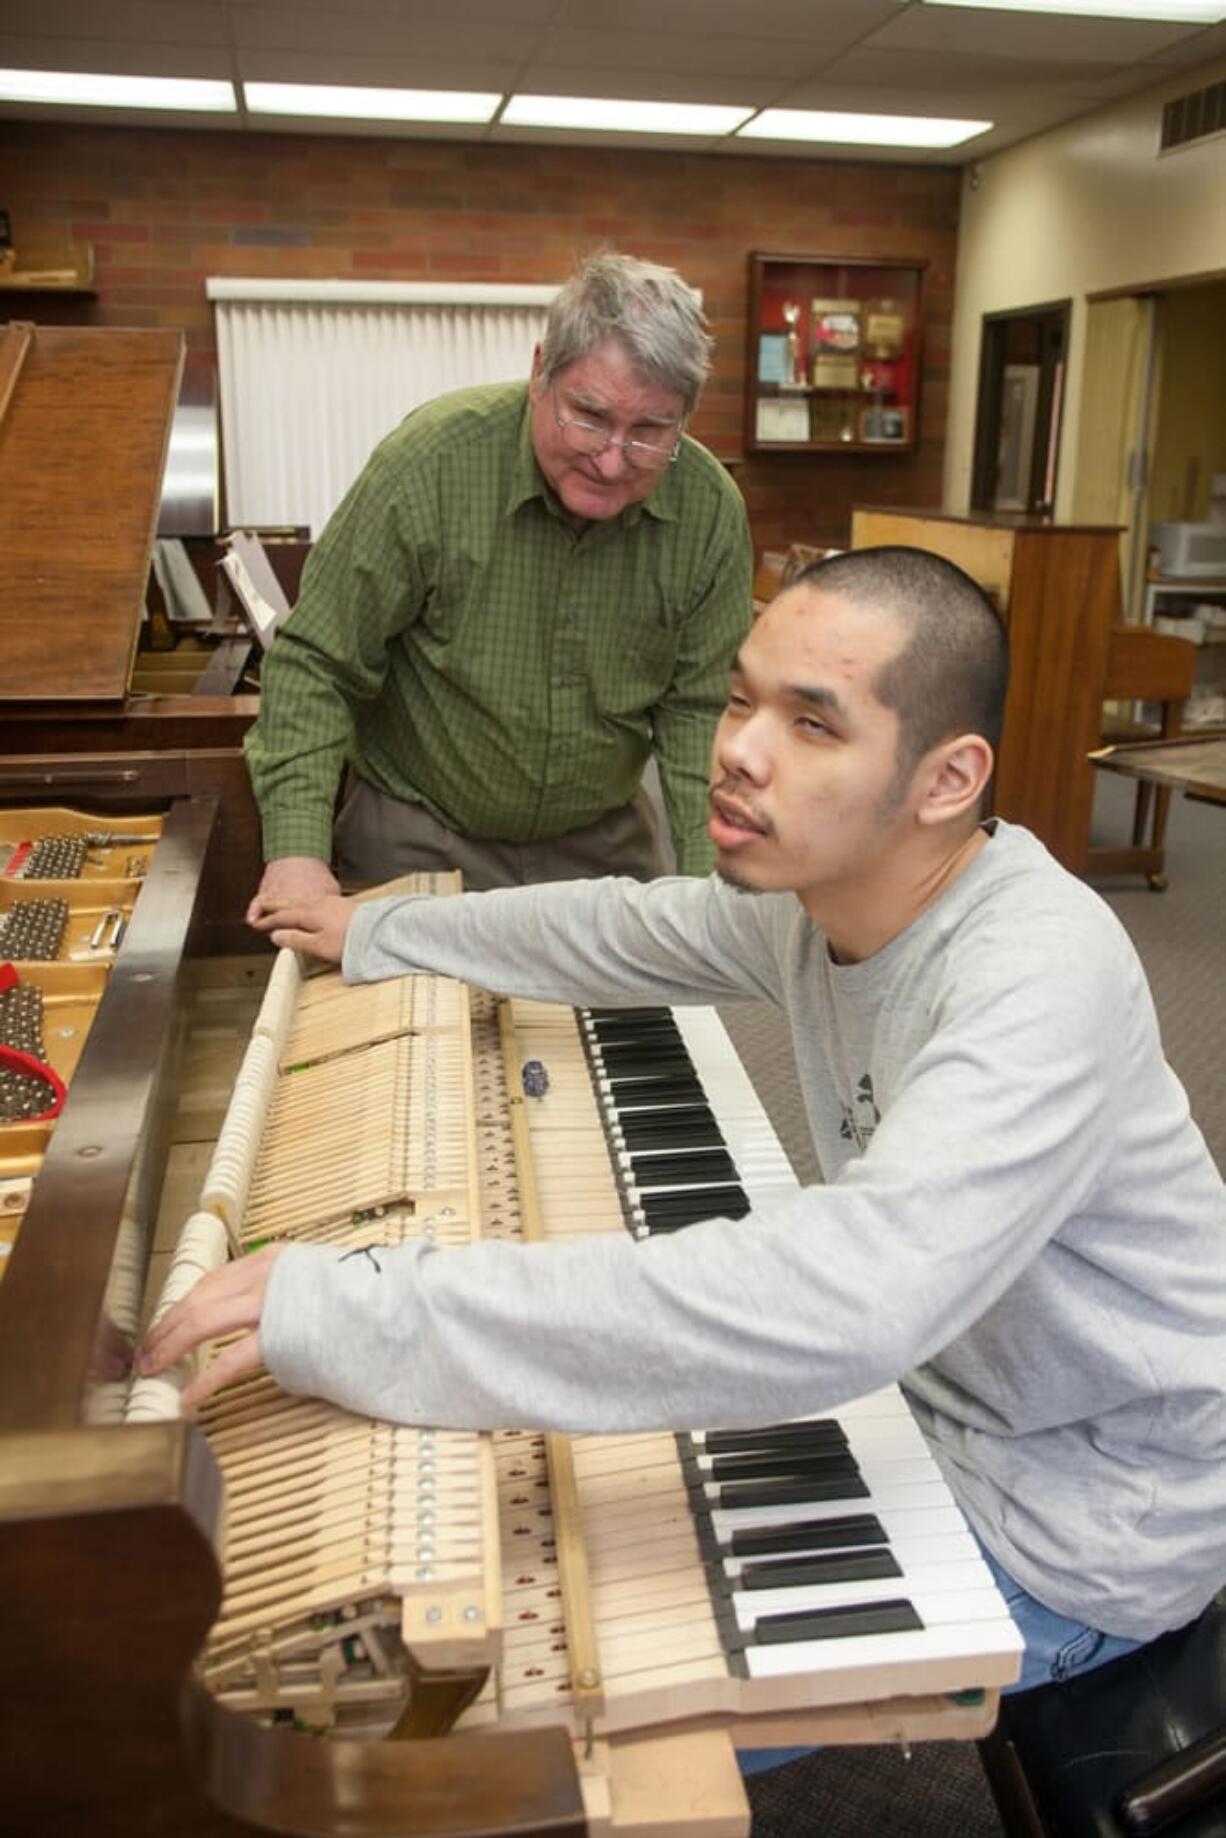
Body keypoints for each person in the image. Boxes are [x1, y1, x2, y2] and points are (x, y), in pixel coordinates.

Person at [143, 546, 1226, 1701]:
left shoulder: (1035, 972)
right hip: (934, 1396)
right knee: (562, 1495)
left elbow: (843, 1300)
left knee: (526, 1707)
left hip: (1080, 1517)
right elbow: (622, 926)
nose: (736, 749)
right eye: (742, 697)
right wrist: (375, 930)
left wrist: (368, 1306)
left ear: (946, 778)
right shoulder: (823, 898)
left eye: (812, 724)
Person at [244, 249, 753, 915]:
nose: (611, 459)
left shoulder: (709, 510)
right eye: (590, 416)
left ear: (683, 417)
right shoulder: (429, 465)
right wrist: (296, 854)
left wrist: (708, 893)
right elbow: (318, 661)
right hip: (419, 833)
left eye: (650, 432)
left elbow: (700, 713)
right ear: (541, 371)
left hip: (599, 847)